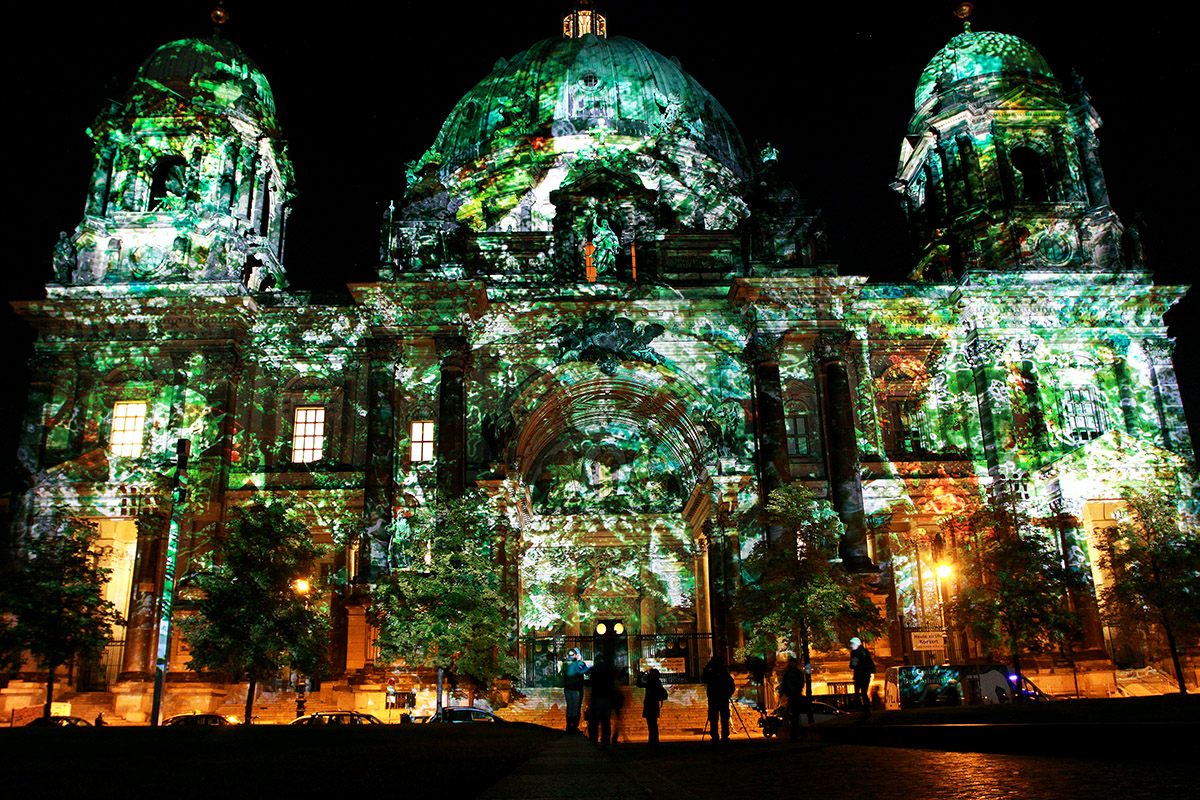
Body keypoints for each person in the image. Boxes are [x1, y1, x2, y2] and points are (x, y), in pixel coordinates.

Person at [701, 655, 734, 742]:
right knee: (720, 719)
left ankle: (718, 737)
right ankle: (723, 737)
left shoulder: (714, 674)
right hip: (720, 698)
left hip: (715, 699)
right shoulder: (723, 674)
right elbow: (731, 685)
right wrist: (728, 693)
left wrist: (708, 666)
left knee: (716, 720)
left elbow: (703, 678)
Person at [588, 654, 616, 747]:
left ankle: (594, 740)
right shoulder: (608, 671)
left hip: (597, 696)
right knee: (606, 721)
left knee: (594, 721)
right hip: (607, 697)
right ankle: (606, 741)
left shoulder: (595, 670)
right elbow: (612, 684)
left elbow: (591, 682)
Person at [778, 656, 807, 739]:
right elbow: (785, 684)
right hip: (793, 695)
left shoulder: (793, 673)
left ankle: (794, 732)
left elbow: (785, 684)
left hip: (794, 695)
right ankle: (794, 731)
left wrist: (783, 692)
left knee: (794, 714)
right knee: (792, 714)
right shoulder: (792, 673)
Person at [638, 668, 668, 746]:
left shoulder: (652, 682)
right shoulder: (656, 682)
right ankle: (654, 740)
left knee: (652, 724)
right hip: (653, 704)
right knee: (653, 724)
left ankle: (653, 741)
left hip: (651, 704)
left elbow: (640, 684)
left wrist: (639, 677)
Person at [562, 648, 587, 734]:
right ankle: (574, 726)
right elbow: (586, 671)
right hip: (576, 688)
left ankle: (568, 726)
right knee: (576, 708)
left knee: (569, 707)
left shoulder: (565, 663)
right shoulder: (578, 663)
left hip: (567, 688)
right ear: (576, 655)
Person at [848, 637, 875, 716]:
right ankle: (867, 709)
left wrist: (854, 664)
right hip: (866, 675)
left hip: (859, 675)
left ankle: (861, 708)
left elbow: (852, 665)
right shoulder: (865, 653)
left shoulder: (855, 653)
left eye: (852, 644)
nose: (851, 645)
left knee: (858, 692)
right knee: (864, 693)